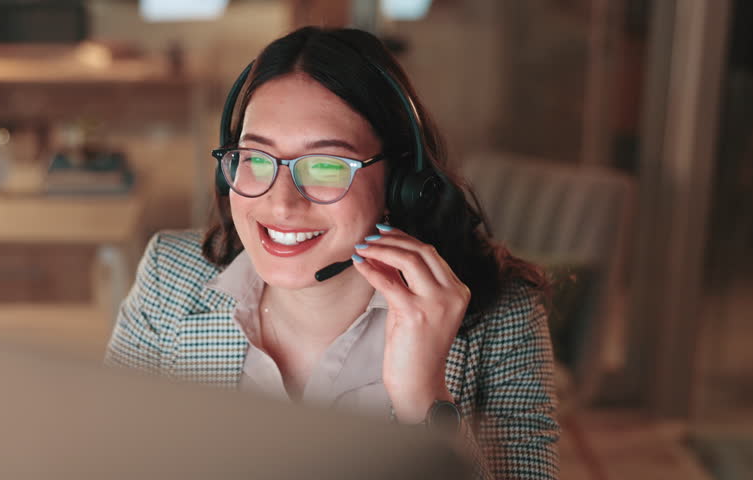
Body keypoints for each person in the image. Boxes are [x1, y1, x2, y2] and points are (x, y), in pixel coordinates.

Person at [106, 26, 559, 479]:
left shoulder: (504, 316)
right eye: (257, 158)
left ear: (400, 184)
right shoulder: (168, 276)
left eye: (325, 166)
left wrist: (423, 400)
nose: (282, 204)